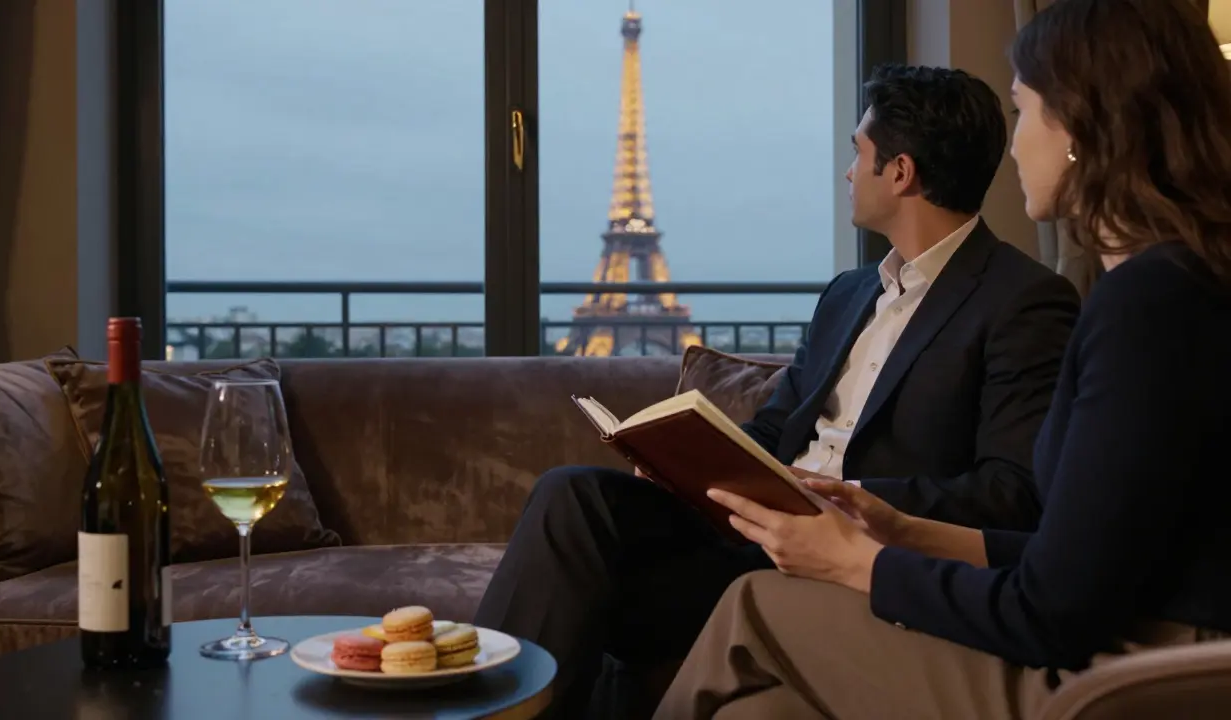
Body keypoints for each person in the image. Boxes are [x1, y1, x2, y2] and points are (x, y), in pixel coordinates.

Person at [655, 1, 1231, 718]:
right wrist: (903, 530)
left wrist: (856, 561)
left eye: (1023, 111)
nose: (1014, 147)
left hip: (1143, 674)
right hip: (1129, 637)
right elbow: (1085, 562)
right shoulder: (1170, 287)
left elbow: (1052, 611)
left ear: (1080, 124)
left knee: (757, 601)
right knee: (759, 713)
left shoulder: (1148, 305)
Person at [474, 64, 1081, 718]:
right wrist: (681, 463)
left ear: (900, 173)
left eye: (860, 154)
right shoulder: (849, 294)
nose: (849, 171)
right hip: (751, 535)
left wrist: (856, 501)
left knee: (605, 593)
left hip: (848, 560)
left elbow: (1012, 490)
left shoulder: (1022, 301)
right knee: (573, 495)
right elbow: (772, 431)